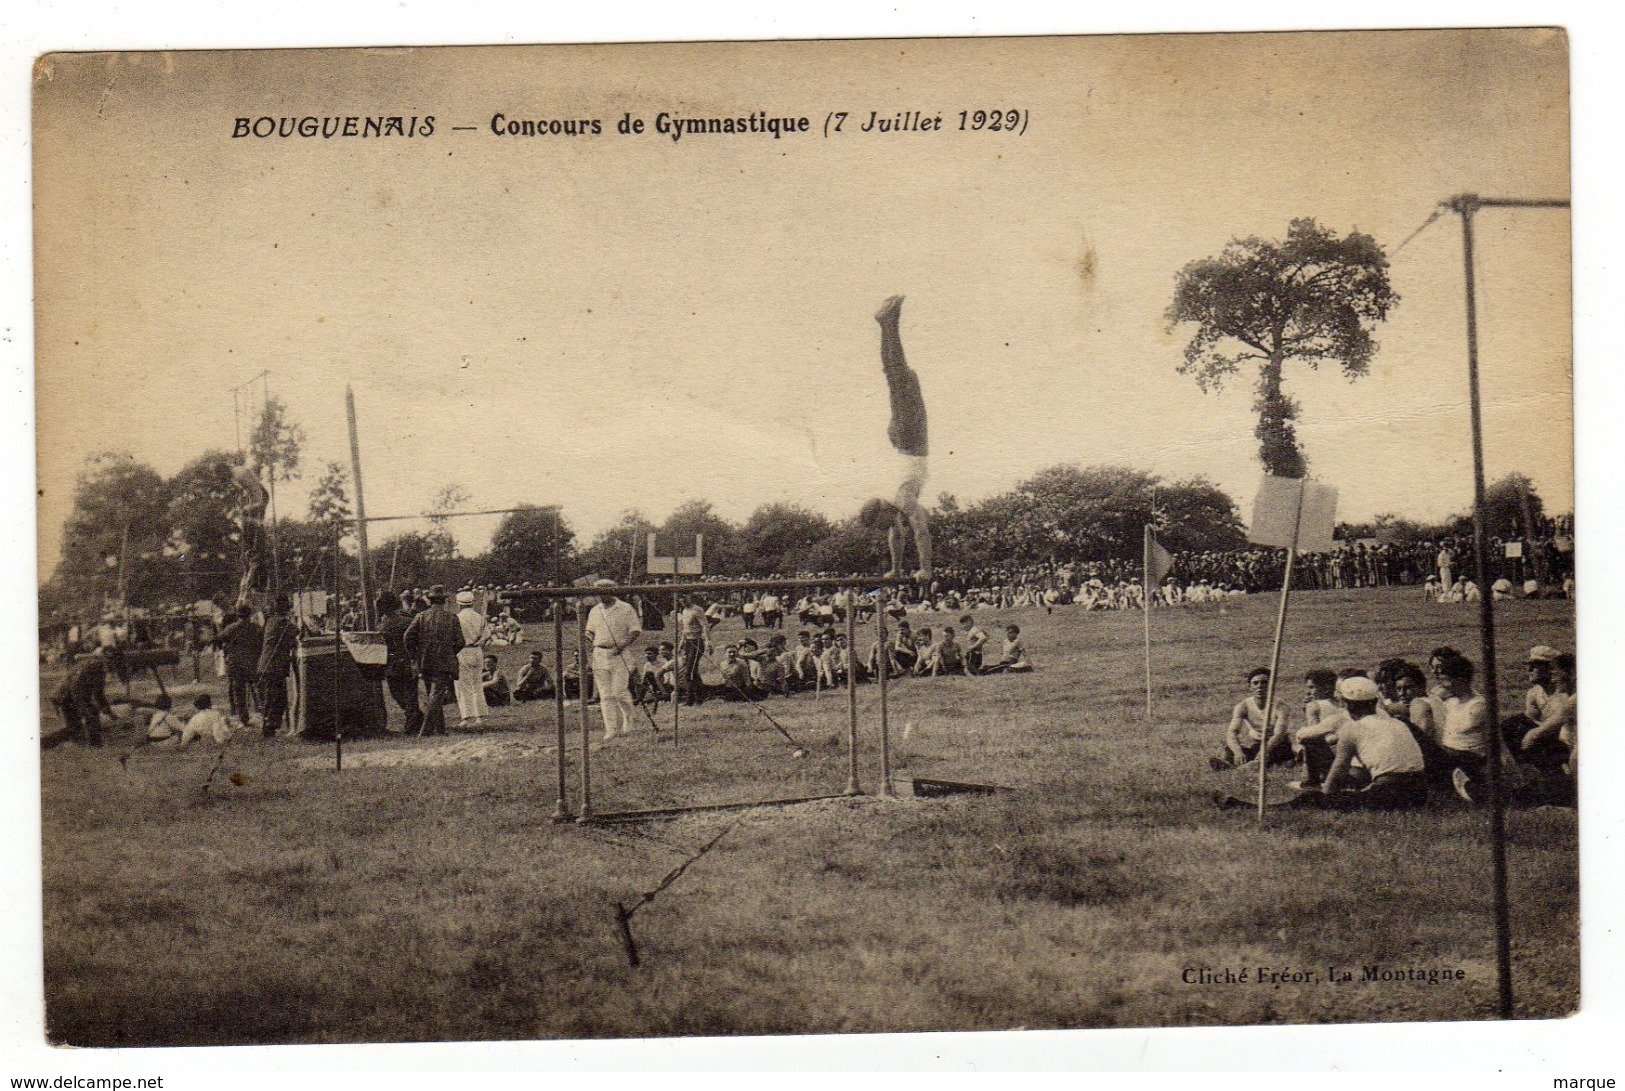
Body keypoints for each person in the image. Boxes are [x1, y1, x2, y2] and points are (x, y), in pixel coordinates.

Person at [1291, 677, 1428, 809]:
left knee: (1311, 798)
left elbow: (1335, 780)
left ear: (1346, 704)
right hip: (1420, 792)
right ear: (1375, 701)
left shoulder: (1352, 729)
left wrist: (1324, 796)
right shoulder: (1398, 723)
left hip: (1388, 791)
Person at [871, 295, 933, 581]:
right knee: (897, 376)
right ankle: (887, 324)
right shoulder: (893, 507)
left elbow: (921, 529)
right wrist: (896, 568)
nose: (893, 528)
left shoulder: (902, 499)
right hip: (901, 441)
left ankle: (887, 323)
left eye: (887, 524)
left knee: (898, 376)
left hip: (910, 438)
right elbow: (896, 537)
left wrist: (926, 568)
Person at [584, 579, 642, 741]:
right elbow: (589, 631)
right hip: (600, 654)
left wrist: (622, 645)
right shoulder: (595, 610)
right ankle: (611, 729)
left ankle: (628, 719)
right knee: (605, 695)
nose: (599, 595)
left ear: (612, 591)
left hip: (619, 654)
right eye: (596, 592)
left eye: (602, 591)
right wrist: (589, 638)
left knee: (618, 691)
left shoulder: (625, 608)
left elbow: (635, 631)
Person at [403, 585, 462, 737]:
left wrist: (415, 655)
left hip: (425, 661)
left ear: (430, 600)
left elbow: (407, 637)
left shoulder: (421, 617)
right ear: (444, 601)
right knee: (437, 694)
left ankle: (440, 730)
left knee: (434, 693)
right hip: (443, 662)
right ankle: (426, 730)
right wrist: (450, 652)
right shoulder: (452, 617)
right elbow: (460, 641)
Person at [1434, 653, 1491, 802]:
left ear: (1460, 680)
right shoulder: (1451, 702)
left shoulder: (1478, 706)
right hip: (1452, 755)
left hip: (1470, 758)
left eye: (1446, 680)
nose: (1442, 685)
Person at [1212, 667, 1288, 769]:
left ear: (1271, 685)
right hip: (1257, 744)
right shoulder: (1243, 706)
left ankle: (1240, 768)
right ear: (1250, 687)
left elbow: (1279, 734)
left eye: (1264, 682)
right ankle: (1235, 764)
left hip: (1276, 744)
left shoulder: (1280, 706)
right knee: (1230, 750)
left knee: (1271, 755)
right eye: (1255, 683)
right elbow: (1232, 732)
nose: (1260, 686)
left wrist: (1264, 751)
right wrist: (1237, 751)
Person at [377, 591, 423, 736]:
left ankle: (412, 725)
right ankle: (417, 719)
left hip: (395, 663)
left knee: (399, 694)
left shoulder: (383, 625)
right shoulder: (406, 621)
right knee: (409, 694)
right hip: (404, 662)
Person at [256, 594, 297, 738]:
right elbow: (296, 634)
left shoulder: (271, 621)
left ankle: (272, 727)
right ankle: (268, 729)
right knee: (274, 698)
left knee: (277, 698)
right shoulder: (282, 623)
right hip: (273, 666)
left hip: (270, 665)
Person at [215, 605, 263, 725]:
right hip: (253, 663)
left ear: (237, 615)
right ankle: (263, 713)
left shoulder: (231, 628)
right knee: (257, 689)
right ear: (249, 615)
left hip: (235, 663)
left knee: (239, 691)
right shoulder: (256, 628)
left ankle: (244, 718)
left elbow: (219, 638)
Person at [454, 590, 490, 727]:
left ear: (459, 604)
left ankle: (466, 718)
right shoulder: (480, 617)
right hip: (477, 651)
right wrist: (479, 641)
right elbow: (486, 635)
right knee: (477, 683)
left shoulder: (457, 618)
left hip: (463, 650)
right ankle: (479, 717)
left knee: (463, 685)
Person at [675, 594, 710, 707]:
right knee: (691, 671)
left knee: (689, 671)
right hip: (688, 642)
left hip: (697, 642)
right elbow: (685, 629)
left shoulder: (697, 610)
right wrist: (682, 642)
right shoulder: (684, 610)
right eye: (681, 599)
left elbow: (705, 626)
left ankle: (690, 700)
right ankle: (700, 697)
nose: (683, 601)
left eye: (685, 598)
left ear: (690, 598)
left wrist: (708, 641)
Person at [168, 693, 235, 751]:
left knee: (191, 729)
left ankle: (183, 745)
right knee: (222, 722)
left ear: (196, 707)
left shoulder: (195, 718)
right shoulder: (216, 713)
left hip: (206, 735)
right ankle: (221, 741)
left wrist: (183, 743)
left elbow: (188, 732)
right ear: (210, 704)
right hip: (219, 734)